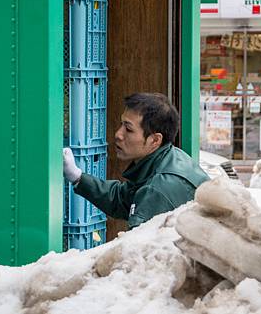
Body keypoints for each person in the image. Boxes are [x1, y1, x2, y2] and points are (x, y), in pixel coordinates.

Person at [63, 92, 209, 229]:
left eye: (128, 129)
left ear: (155, 140)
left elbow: (137, 250)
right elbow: (121, 199)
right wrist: (77, 177)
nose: (118, 134)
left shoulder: (159, 188)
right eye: (121, 125)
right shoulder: (169, 157)